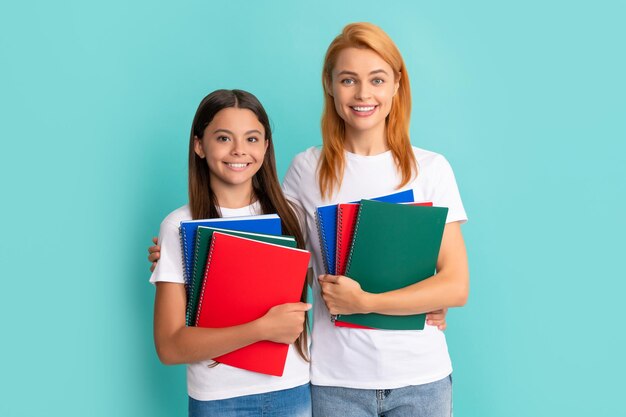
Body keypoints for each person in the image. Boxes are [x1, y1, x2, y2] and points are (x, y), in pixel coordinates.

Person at [280, 22, 469, 417]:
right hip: (337, 384)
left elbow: (455, 285)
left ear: (397, 84)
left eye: (377, 79)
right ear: (329, 85)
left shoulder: (431, 169)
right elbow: (274, 260)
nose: (363, 94)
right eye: (348, 80)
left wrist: (367, 301)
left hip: (422, 381)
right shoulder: (306, 170)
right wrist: (182, 257)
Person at [150, 89, 312, 417]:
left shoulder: (292, 216)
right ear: (199, 145)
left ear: (266, 147)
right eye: (224, 138)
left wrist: (428, 303)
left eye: (252, 139)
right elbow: (169, 346)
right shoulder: (178, 226)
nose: (239, 150)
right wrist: (262, 329)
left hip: (291, 391)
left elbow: (333, 283)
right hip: (219, 399)